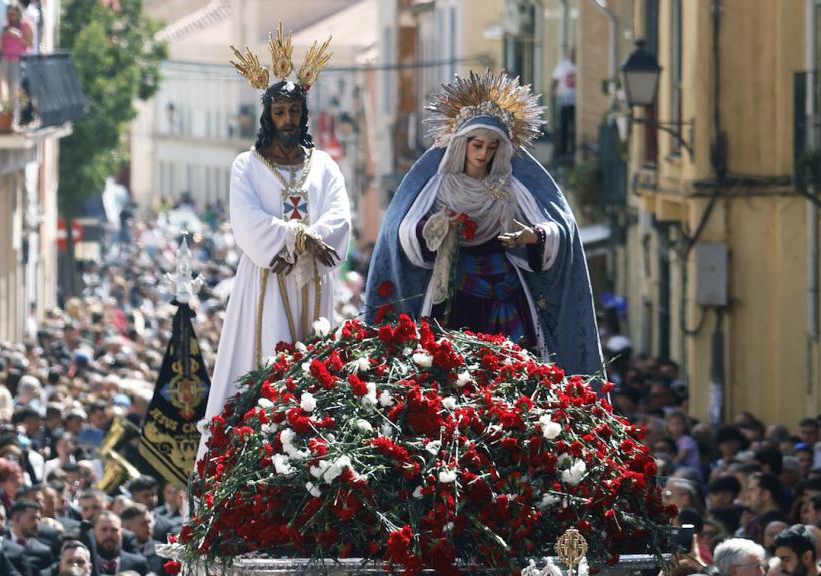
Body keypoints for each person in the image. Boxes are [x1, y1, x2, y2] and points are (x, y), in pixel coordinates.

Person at [365, 70, 601, 376]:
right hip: (455, 284)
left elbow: (560, 226)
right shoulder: (439, 186)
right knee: (448, 363)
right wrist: (439, 227)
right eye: (477, 145)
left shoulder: (509, 186)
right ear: (462, 143)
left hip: (504, 284)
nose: (483, 154)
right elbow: (402, 229)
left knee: (513, 364)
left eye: (491, 147)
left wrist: (533, 236)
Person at [199, 27, 351, 461]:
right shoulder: (246, 166)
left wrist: (314, 240)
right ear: (268, 115)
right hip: (267, 276)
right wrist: (294, 236)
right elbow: (246, 221)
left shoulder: (324, 165)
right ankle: (260, 444)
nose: (288, 120)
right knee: (265, 357)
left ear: (304, 114)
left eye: (294, 111)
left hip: (314, 278)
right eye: (280, 112)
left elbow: (340, 215)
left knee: (315, 362)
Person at [0, 3, 32, 116]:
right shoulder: (5, 26)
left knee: (16, 86)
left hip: (19, 60)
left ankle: (16, 115)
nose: (11, 16)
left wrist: (19, 37)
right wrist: (3, 33)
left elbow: (30, 44)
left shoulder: (25, 25)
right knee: (6, 88)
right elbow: (0, 46)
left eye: (13, 13)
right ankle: (8, 113)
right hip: (5, 59)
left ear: (18, 13)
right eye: (9, 14)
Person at [550, 48, 576, 160]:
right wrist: (552, 92)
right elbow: (554, 79)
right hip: (565, 101)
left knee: (575, 127)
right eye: (571, 54)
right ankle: (563, 151)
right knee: (564, 127)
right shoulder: (563, 65)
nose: (573, 56)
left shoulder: (580, 65)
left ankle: (573, 150)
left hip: (577, 103)